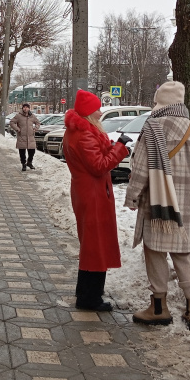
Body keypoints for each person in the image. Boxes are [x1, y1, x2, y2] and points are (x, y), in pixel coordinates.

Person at [124, 81, 190, 330]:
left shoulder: (152, 127)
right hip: (186, 206)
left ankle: (158, 308)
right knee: (183, 254)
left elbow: (139, 168)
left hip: (157, 203)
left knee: (155, 251)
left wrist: (132, 198)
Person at [63, 90, 130, 311]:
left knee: (92, 243)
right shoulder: (85, 135)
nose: (101, 112)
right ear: (89, 112)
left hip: (89, 192)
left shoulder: (81, 131)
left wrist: (116, 146)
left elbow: (97, 158)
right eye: (97, 109)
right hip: (93, 194)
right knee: (95, 244)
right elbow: (99, 165)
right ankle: (89, 298)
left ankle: (86, 291)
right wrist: (120, 148)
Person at [9, 103, 42, 171]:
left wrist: (35, 128)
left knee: (32, 151)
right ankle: (23, 164)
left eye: (27, 107)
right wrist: (17, 129)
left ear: (29, 108)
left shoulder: (32, 116)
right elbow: (12, 122)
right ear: (22, 108)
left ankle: (29, 162)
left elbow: (38, 123)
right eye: (24, 107)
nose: (25, 108)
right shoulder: (18, 116)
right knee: (22, 152)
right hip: (22, 136)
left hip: (30, 137)